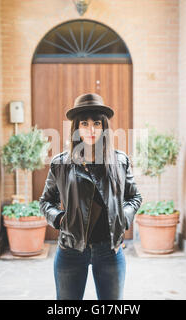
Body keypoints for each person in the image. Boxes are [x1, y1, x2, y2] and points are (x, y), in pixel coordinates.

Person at [39, 93, 143, 300]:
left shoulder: (120, 161)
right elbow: (46, 202)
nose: (92, 130)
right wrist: (60, 219)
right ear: (77, 128)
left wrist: (123, 218)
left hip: (110, 251)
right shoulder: (61, 164)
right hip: (70, 250)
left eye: (96, 123)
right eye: (85, 124)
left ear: (104, 126)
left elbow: (134, 197)